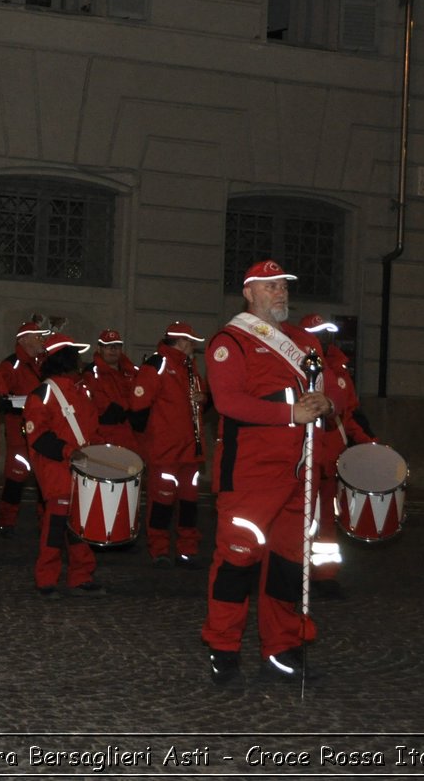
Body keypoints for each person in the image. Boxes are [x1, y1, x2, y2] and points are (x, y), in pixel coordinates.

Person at [201, 260, 334, 685]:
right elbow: (229, 402)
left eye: (283, 286)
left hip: (299, 471)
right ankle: (223, 646)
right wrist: (292, 412)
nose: (280, 293)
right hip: (250, 474)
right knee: (238, 562)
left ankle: (281, 647)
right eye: (270, 286)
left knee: (287, 566)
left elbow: (322, 393)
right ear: (249, 293)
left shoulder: (302, 341)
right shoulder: (230, 341)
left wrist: (324, 405)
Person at [21, 332, 107, 597]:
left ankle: (81, 575)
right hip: (57, 468)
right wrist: (70, 452)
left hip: (81, 466)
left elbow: (92, 427)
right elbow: (38, 437)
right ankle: (46, 578)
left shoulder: (81, 390)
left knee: (81, 526)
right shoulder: (42, 394)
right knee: (57, 527)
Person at [298, 314, 377, 598]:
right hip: (303, 457)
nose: (325, 338)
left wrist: (369, 443)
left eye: (328, 333)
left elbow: (347, 415)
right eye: (319, 333)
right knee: (300, 519)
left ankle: (325, 575)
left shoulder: (338, 369)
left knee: (327, 521)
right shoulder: (296, 364)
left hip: (330, 459)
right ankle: (294, 572)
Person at [133, 322, 211, 569]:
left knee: (189, 504)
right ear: (181, 341)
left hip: (191, 452)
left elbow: (203, 400)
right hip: (166, 451)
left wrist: (204, 399)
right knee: (161, 503)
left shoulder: (189, 367)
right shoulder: (158, 365)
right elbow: (138, 406)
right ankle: (159, 549)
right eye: (191, 342)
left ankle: (187, 549)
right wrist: (152, 440)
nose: (194, 346)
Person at [0, 320, 49, 536]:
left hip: (43, 430)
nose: (41, 340)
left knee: (44, 479)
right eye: (37, 336)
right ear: (23, 339)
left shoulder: (44, 364)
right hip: (19, 429)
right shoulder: (10, 366)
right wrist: (23, 403)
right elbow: (0, 397)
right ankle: (6, 520)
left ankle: (45, 519)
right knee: (16, 478)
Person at [86, 330, 141, 454]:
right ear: (99, 348)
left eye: (116, 346)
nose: (113, 349)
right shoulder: (91, 373)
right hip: (107, 437)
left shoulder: (133, 372)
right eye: (108, 346)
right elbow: (101, 407)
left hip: (133, 436)